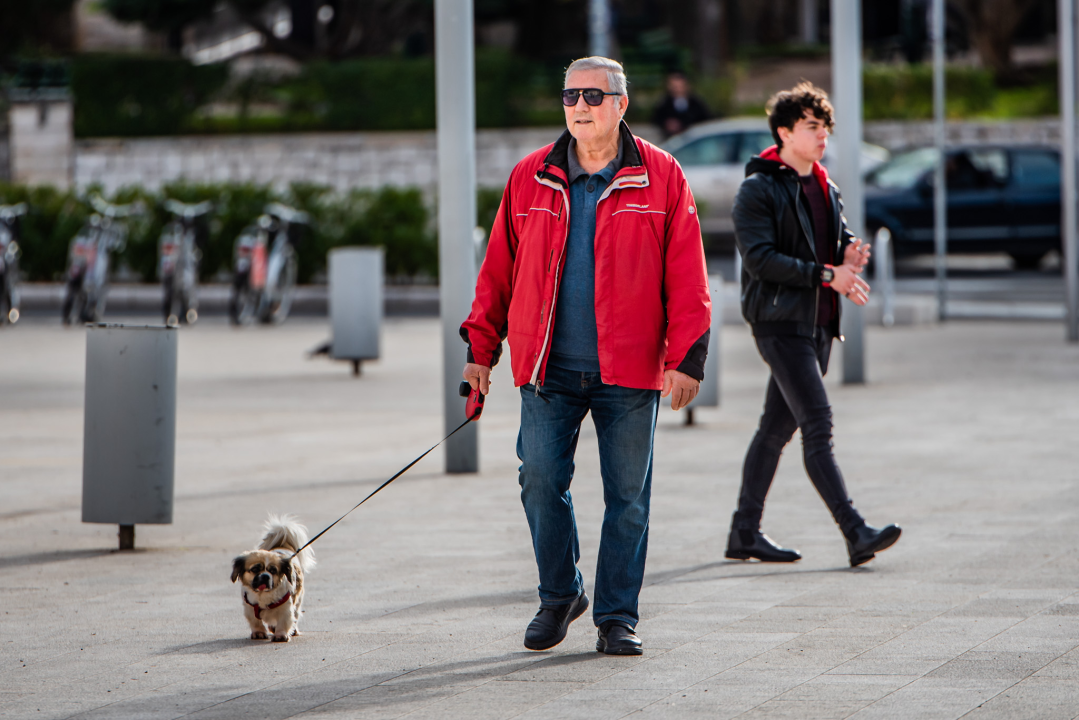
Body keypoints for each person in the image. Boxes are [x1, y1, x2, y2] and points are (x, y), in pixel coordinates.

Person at [460, 56, 711, 655]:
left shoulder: (663, 175)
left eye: (593, 97)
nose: (579, 106)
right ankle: (559, 594)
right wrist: (480, 349)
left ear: (621, 104)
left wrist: (688, 357)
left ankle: (617, 616)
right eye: (570, 95)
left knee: (628, 498)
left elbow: (688, 276)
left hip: (630, 370)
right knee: (540, 480)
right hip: (549, 367)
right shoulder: (530, 177)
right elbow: (497, 272)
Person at [727, 82, 901, 567]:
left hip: (818, 324)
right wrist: (830, 274)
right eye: (811, 126)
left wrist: (848, 253)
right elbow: (761, 260)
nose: (822, 134)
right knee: (817, 425)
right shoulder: (757, 189)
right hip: (778, 322)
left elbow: (835, 240)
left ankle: (744, 533)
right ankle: (855, 531)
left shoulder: (826, 185)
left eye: (825, 126)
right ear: (783, 132)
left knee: (773, 430)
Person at [652, 71, 711, 139]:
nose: (677, 90)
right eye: (674, 87)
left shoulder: (695, 102)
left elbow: (706, 118)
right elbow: (656, 119)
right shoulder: (664, 103)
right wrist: (667, 124)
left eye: (679, 87)